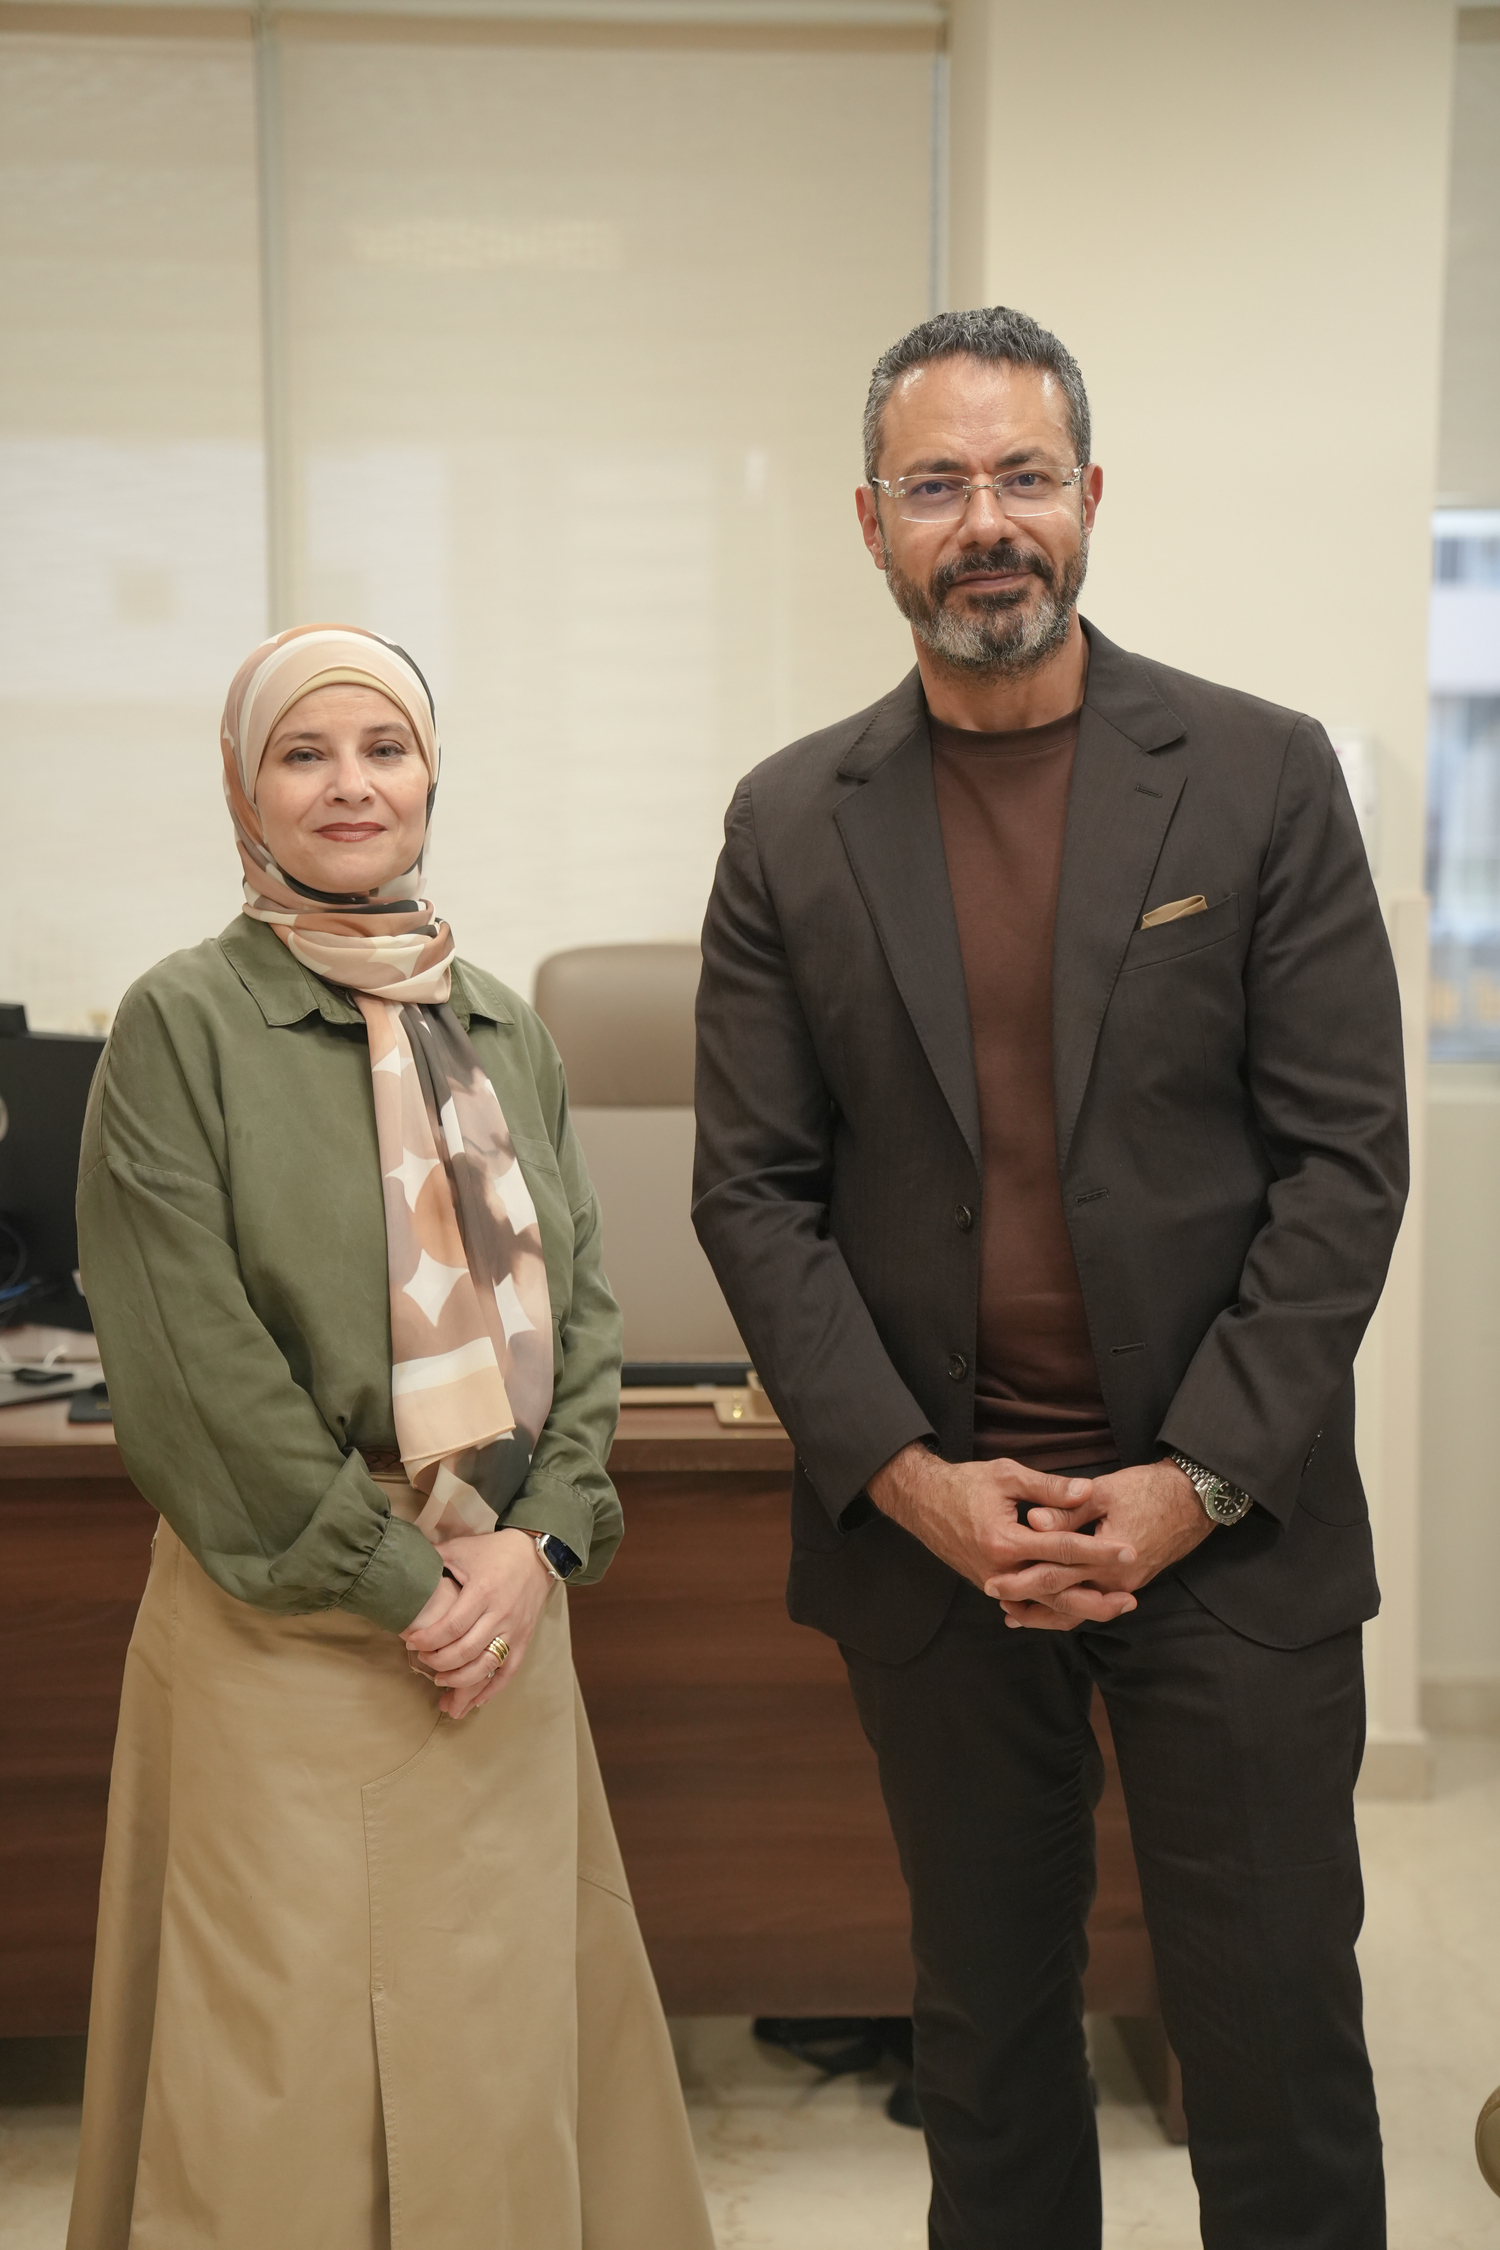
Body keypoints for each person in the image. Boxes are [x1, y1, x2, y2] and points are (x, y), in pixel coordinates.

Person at [692, 307, 1408, 2248]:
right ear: (871, 523)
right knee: (990, 2055)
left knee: (1275, 2050)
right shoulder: (789, 822)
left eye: (1022, 475)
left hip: (1228, 1537)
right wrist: (915, 1484)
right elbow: (751, 1193)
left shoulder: (1259, 777)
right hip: (945, 1549)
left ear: (1089, 496)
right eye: (937, 484)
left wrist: (1193, 1482)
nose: (985, 520)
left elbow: (1345, 1165)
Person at [68, 623, 714, 2250]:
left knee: (503, 2056)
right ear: (245, 793)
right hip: (285, 1619)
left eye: (385, 747)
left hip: (502, 1619)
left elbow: (585, 1311)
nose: (351, 784)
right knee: (276, 2083)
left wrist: (538, 1542)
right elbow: (193, 1369)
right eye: (304, 752)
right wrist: (408, 1583)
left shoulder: (499, 1023)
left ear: (432, 777)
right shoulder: (181, 1025)